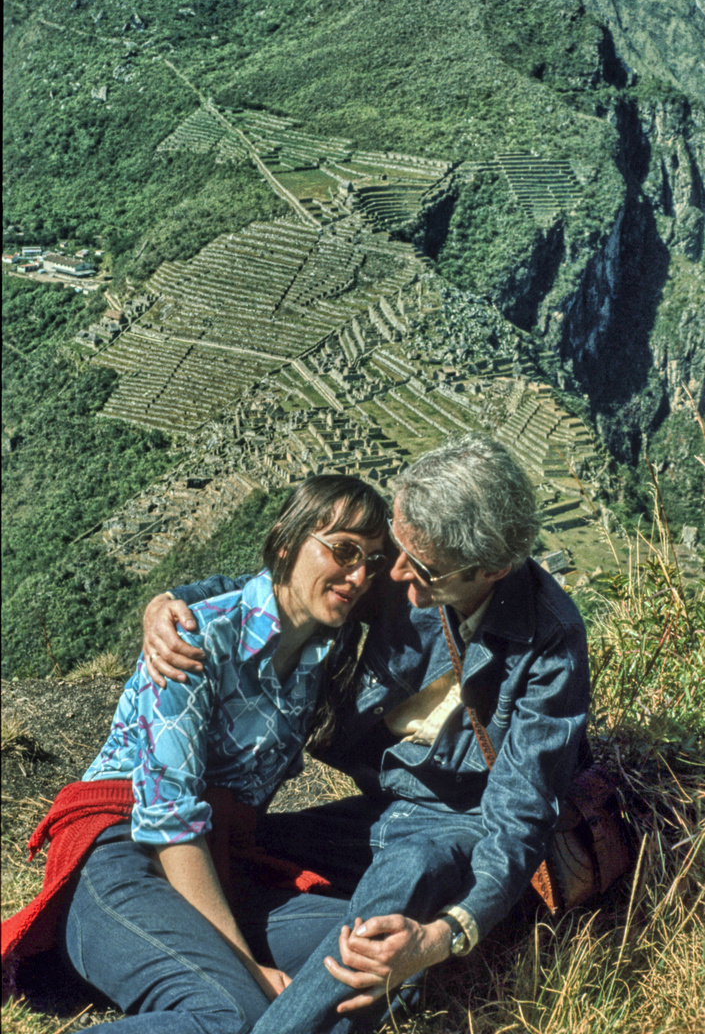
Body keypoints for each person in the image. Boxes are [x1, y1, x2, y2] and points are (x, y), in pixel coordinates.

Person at [143, 434, 591, 1034]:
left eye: (424, 568)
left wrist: (445, 934)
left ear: (492, 570)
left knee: (401, 884)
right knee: (245, 849)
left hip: (459, 822)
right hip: (383, 808)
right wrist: (176, 604)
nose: (395, 572)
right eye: (397, 551)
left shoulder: (550, 640)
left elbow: (518, 815)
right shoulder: (401, 567)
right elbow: (283, 590)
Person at [1, 474, 390, 1034]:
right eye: (344, 550)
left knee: (371, 960)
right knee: (232, 1014)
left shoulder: (323, 658)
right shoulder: (194, 636)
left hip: (215, 865)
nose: (357, 575)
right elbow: (167, 821)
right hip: (123, 848)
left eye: (372, 561)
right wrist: (248, 968)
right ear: (286, 542)